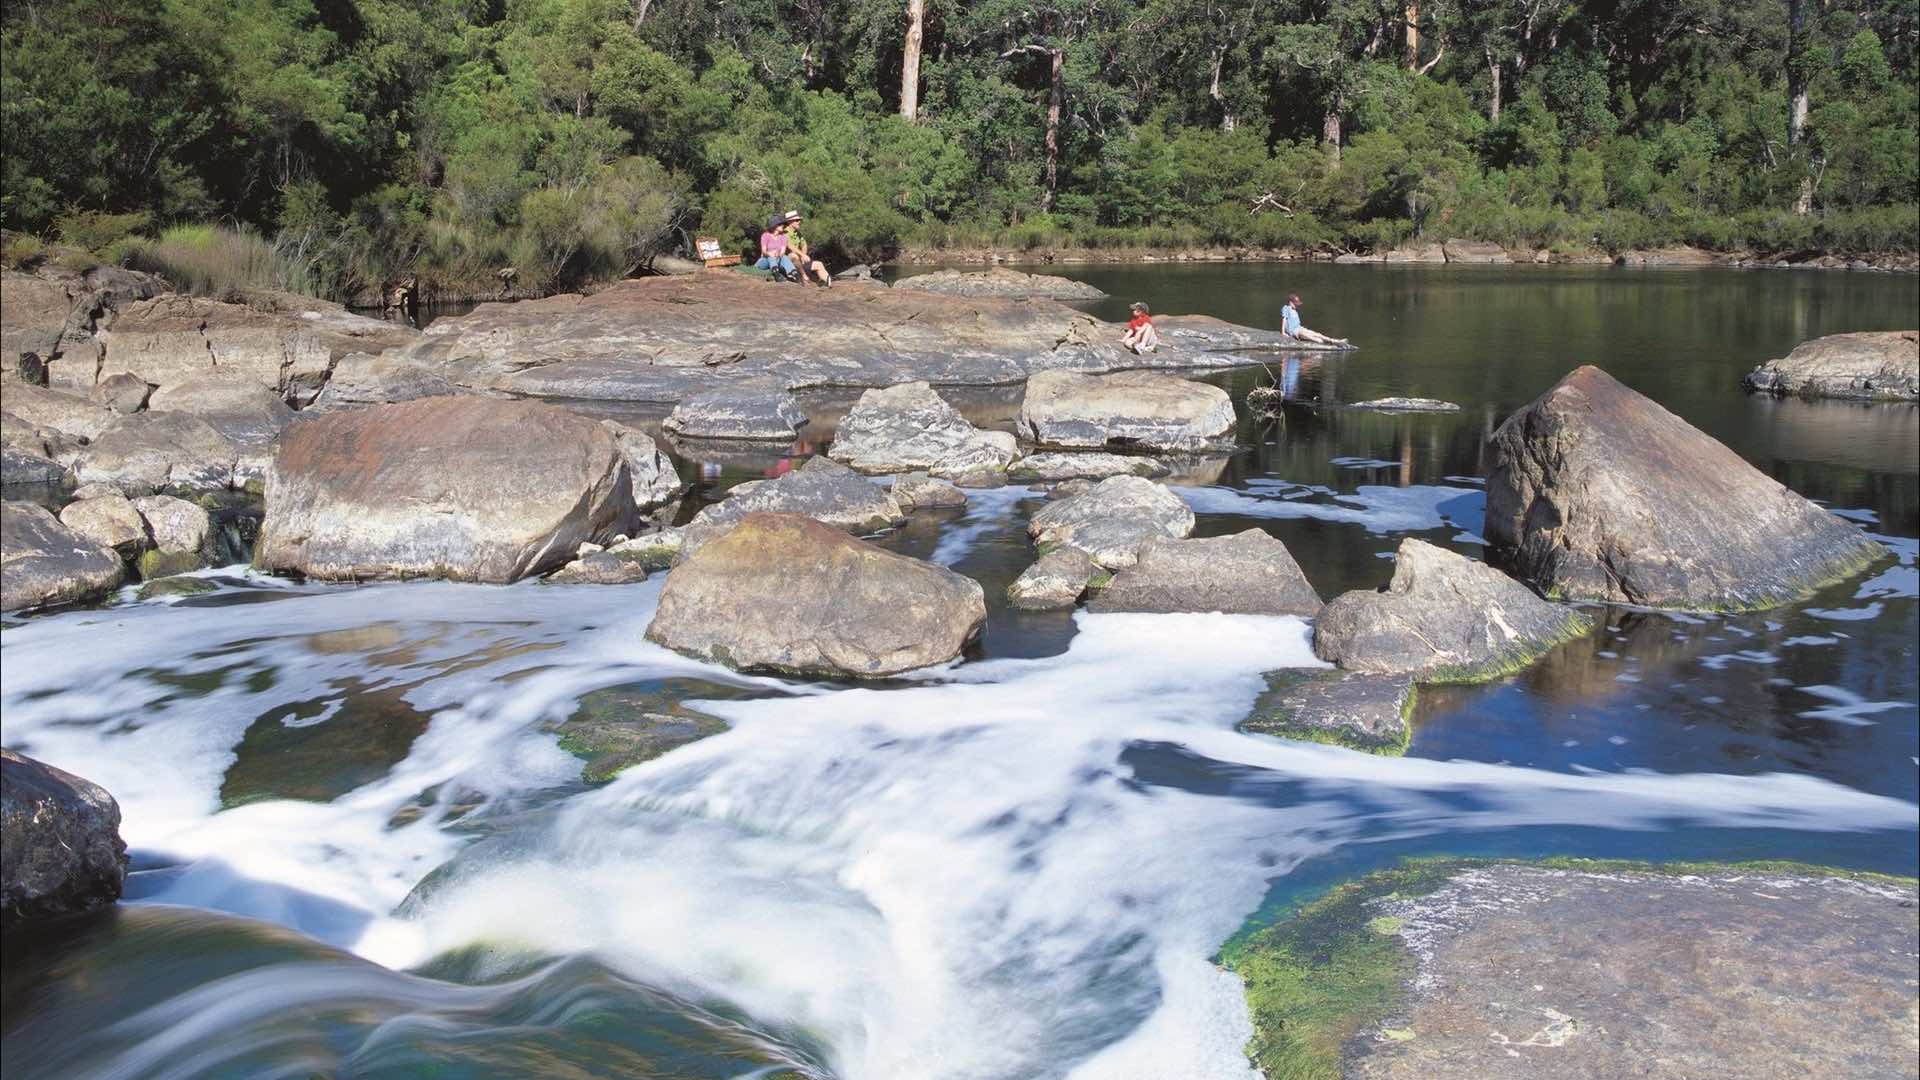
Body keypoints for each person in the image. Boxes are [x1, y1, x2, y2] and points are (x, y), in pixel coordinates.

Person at [780, 210, 831, 287]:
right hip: (787, 263)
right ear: (789, 222)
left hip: (799, 262)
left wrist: (803, 255)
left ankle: (828, 283)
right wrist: (802, 255)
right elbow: (789, 246)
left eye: (799, 220)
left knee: (819, 264)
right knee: (793, 255)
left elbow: (804, 245)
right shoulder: (784, 233)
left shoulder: (797, 233)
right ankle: (801, 278)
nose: (799, 222)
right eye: (797, 220)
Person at [1280, 292, 1348, 346]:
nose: (1297, 305)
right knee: (1317, 340)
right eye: (1295, 304)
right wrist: (1283, 332)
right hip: (1295, 332)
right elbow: (1284, 319)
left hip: (1300, 328)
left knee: (1318, 334)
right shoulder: (1286, 308)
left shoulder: (1294, 310)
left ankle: (1336, 341)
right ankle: (1333, 343)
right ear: (1290, 302)